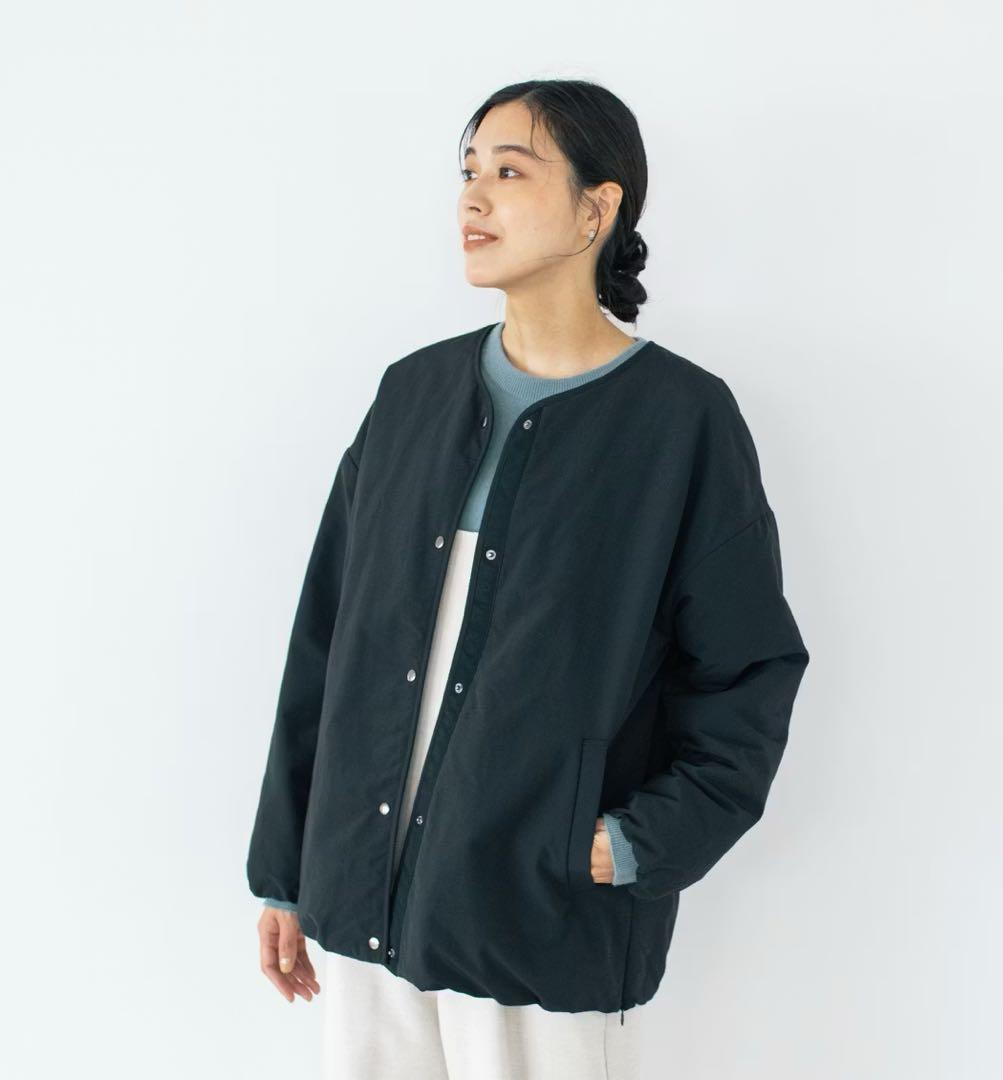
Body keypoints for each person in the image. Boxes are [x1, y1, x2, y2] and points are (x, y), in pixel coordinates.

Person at [248, 79, 810, 1080]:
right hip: (363, 898)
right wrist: (287, 871)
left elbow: (747, 670)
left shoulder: (680, 423)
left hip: (534, 912)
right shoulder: (411, 393)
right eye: (468, 171)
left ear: (598, 208)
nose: (473, 197)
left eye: (510, 172)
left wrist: (636, 842)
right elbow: (327, 641)